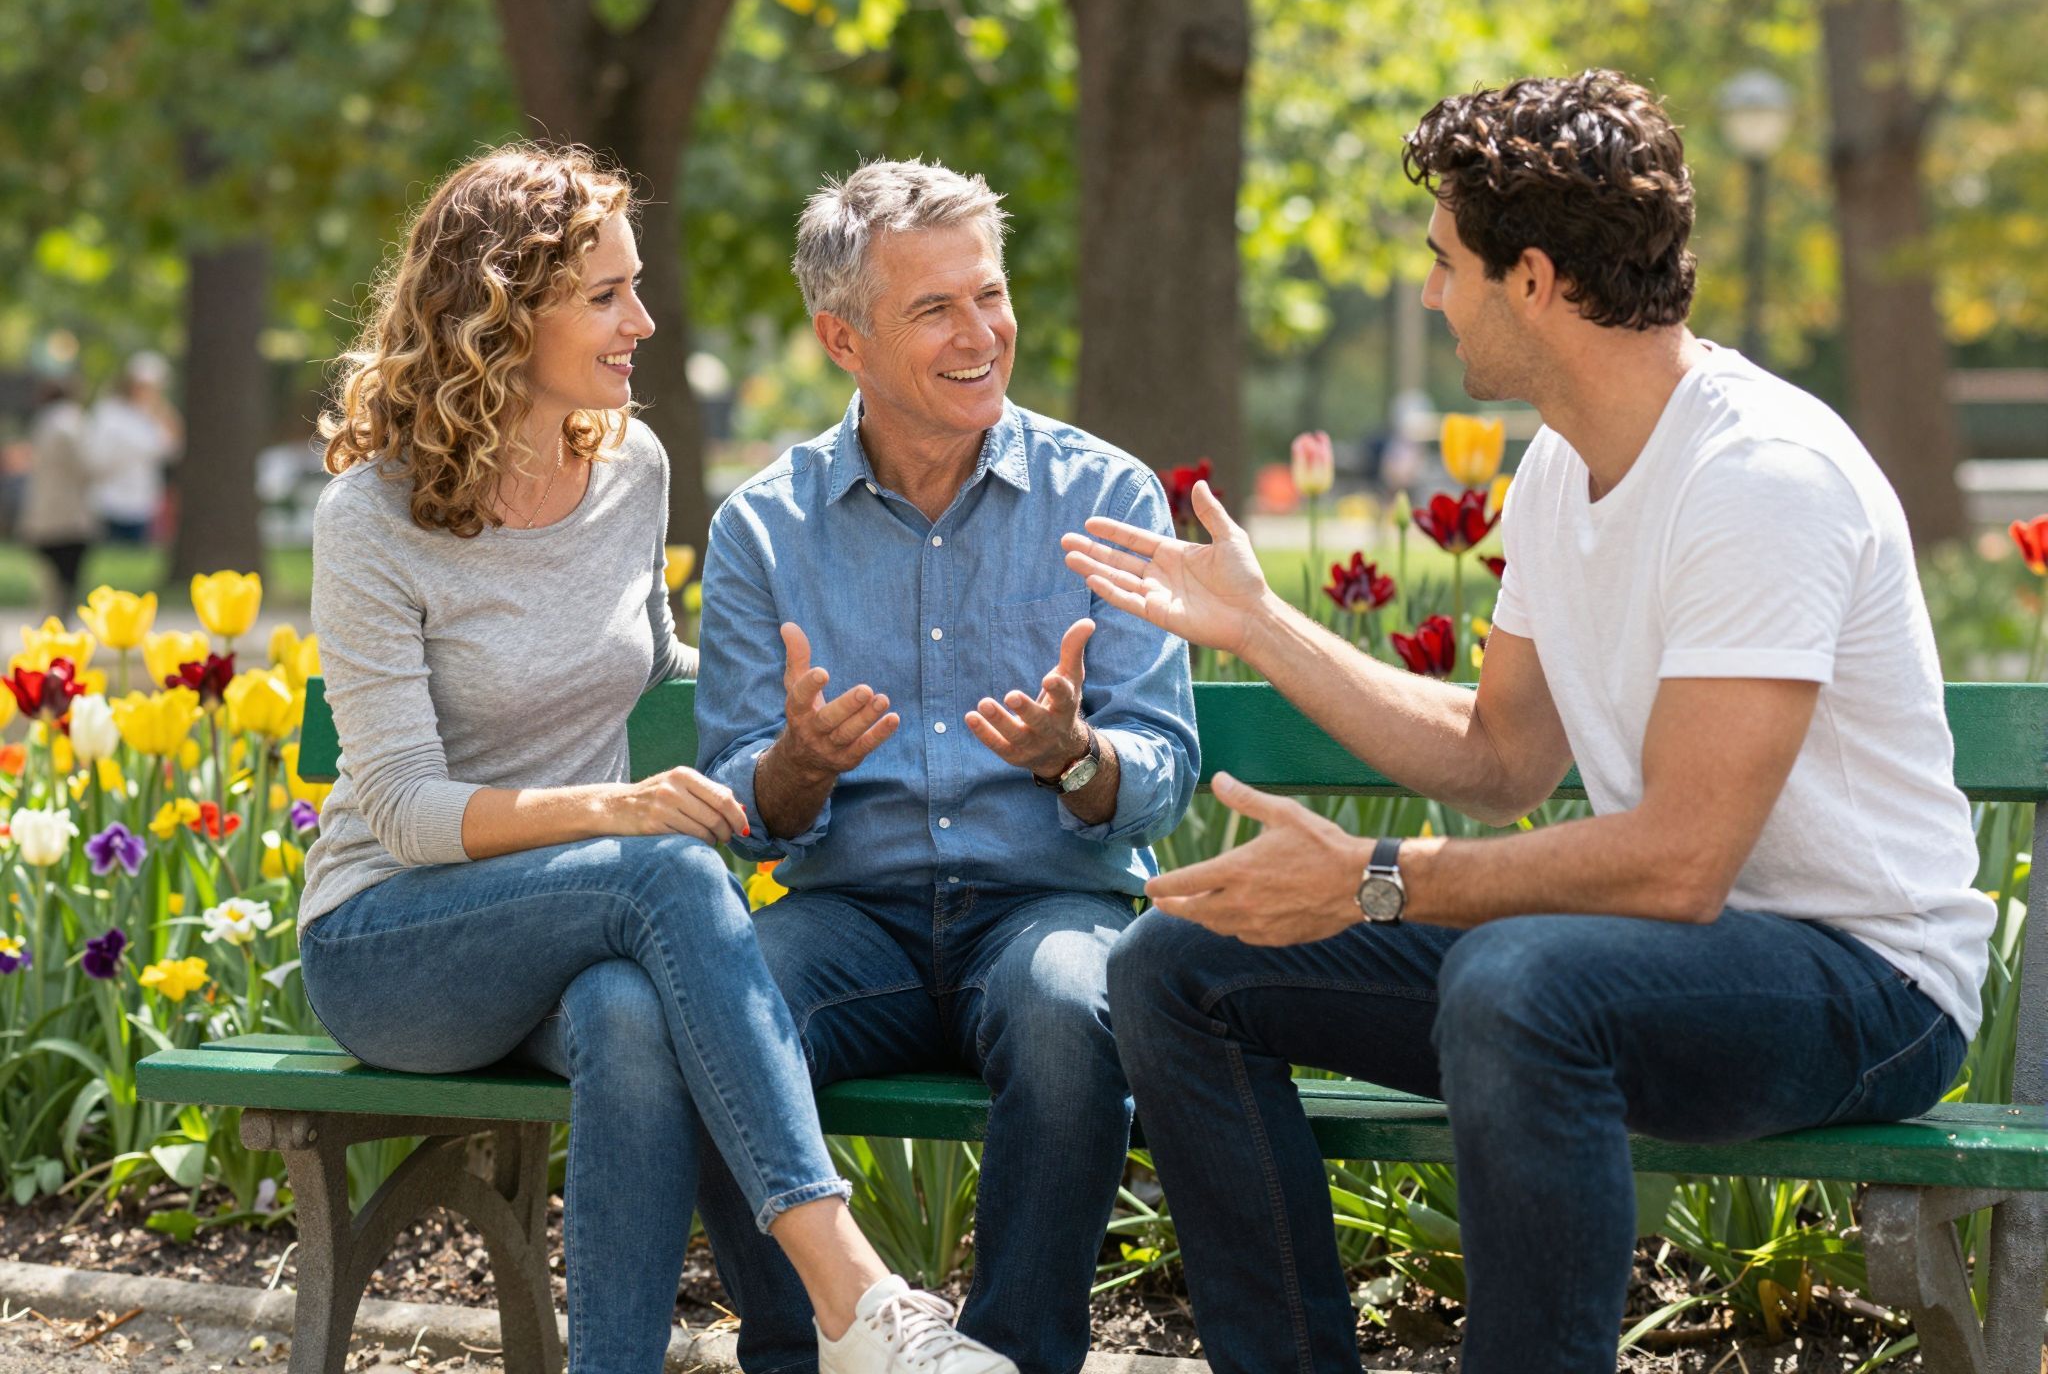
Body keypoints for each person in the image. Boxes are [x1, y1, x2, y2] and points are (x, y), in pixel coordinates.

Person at [1063, 71, 1994, 1374]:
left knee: (1520, 983)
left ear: (1537, 279)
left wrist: (1373, 879)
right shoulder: (1566, 459)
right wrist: (1266, 627)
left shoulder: (1759, 477)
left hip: (1862, 986)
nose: (1431, 292)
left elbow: (1681, 860)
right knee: (1177, 964)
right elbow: (1498, 759)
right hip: (1656, 965)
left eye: (1446, 263)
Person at [296, 143, 1015, 1374]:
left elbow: (650, 663)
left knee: (630, 1014)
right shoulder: (373, 518)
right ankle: (850, 1295)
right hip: (396, 942)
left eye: (634, 286)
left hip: (575, 928)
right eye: (605, 295)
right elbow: (405, 811)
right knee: (668, 873)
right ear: (502, 313)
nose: (642, 319)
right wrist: (617, 808)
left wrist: (796, 704)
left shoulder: (629, 466)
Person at [693, 159, 1199, 1374]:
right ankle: (809, 1351)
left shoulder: (1106, 494)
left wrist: (1076, 758)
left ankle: (1011, 1363)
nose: (980, 334)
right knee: (711, 1011)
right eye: (934, 309)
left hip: (1043, 904)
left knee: (1074, 1009)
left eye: (989, 295)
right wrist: (797, 768)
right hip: (847, 919)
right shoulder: (765, 525)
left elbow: (1164, 764)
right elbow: (742, 807)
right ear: (841, 337)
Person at [18, 373, 97, 615]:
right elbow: (86, 465)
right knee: (66, 578)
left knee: (51, 581)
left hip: (43, 511)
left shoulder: (44, 421)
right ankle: (59, 623)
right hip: (69, 514)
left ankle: (52, 620)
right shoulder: (71, 422)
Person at [88, 350, 183, 544]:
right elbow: (97, 455)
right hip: (109, 497)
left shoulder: (155, 416)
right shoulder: (110, 411)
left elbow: (173, 449)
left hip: (142, 499)